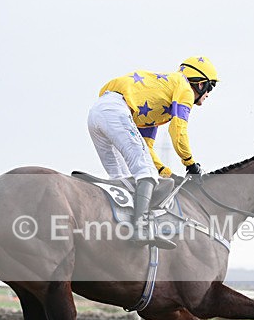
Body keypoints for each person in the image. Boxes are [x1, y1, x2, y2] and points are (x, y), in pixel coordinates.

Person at [87, 56, 218, 249]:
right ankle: (141, 229)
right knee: (145, 172)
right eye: (211, 88)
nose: (209, 94)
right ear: (200, 84)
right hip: (115, 111)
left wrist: (166, 172)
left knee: (124, 177)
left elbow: (146, 148)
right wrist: (190, 164)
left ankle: (116, 229)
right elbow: (178, 131)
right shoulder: (184, 89)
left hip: (97, 113)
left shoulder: (157, 103)